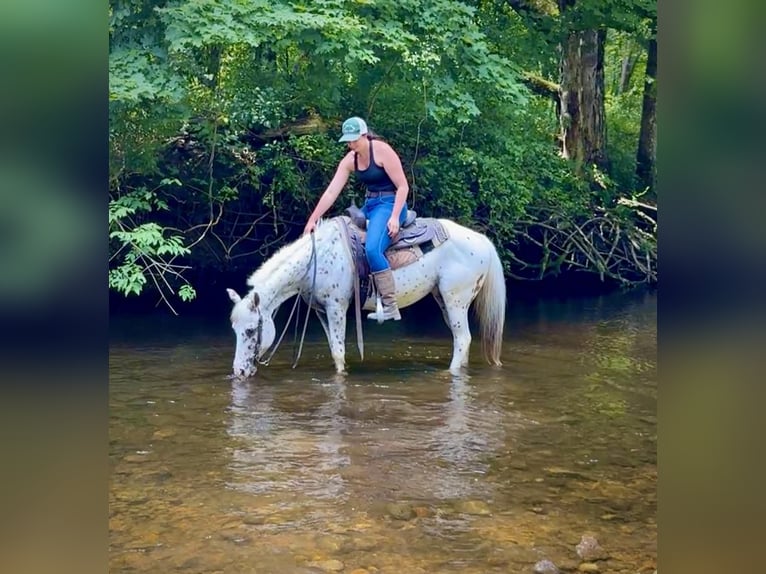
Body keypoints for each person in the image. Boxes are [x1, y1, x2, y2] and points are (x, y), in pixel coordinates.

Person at [303, 116, 409, 321]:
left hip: (390, 203)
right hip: (369, 205)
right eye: (348, 141)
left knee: (372, 248)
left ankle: (390, 305)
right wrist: (313, 219)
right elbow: (331, 192)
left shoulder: (382, 150)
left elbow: (403, 186)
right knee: (342, 238)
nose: (351, 144)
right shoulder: (350, 160)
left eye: (354, 140)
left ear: (364, 135)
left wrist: (395, 216)